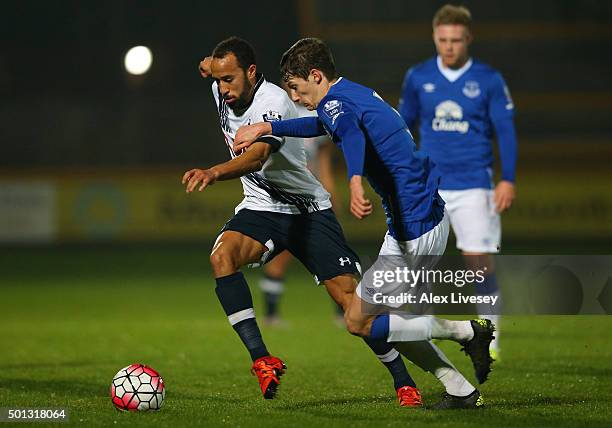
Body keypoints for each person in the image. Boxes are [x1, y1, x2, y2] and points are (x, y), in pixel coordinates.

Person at [234, 37, 495, 409]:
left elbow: (352, 137)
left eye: (296, 87)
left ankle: (468, 332)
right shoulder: (349, 96)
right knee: (372, 321)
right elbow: (321, 126)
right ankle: (460, 388)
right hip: (414, 222)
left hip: (416, 226)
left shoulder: (338, 103)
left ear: (316, 75)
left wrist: (354, 180)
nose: (293, 97)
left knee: (363, 320)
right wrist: (266, 129)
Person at [185, 36, 422, 406]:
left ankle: (404, 382)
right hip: (262, 206)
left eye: (230, 79)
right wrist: (209, 67)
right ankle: (263, 360)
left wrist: (214, 172)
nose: (223, 88)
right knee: (221, 258)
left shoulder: (274, 101)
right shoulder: (222, 88)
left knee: (351, 304)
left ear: (251, 72)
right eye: (218, 80)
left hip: (308, 210)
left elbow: (255, 158)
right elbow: (209, 66)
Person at [398, 4, 518, 360]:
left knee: (477, 261)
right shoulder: (418, 77)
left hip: (474, 185)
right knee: (418, 261)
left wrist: (507, 179)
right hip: (429, 185)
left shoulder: (488, 79)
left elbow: (505, 132)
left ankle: (491, 337)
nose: (449, 47)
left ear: (469, 39)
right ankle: (423, 331)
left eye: (456, 40)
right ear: (435, 37)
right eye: (443, 39)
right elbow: (402, 128)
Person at [258, 96, 345, 327]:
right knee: (280, 255)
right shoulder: (273, 114)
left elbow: (323, 163)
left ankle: (343, 313)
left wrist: (331, 194)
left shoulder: (315, 116)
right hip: (284, 196)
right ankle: (271, 315)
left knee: (331, 252)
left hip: (312, 197)